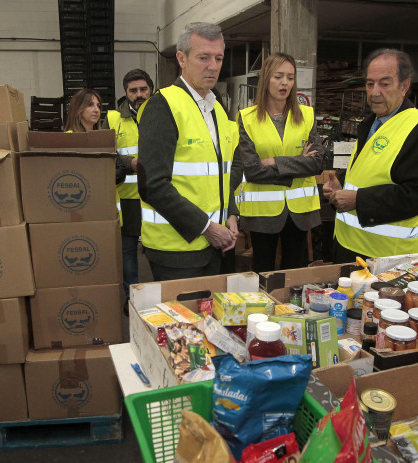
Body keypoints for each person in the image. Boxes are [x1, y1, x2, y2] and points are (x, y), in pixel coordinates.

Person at [137, 22, 240, 281]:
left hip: (215, 245)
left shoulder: (216, 109)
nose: (213, 66)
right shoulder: (163, 106)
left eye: (218, 58)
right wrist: (206, 227)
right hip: (175, 250)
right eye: (203, 57)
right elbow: (153, 185)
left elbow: (222, 173)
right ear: (181, 59)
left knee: (211, 322)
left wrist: (230, 214)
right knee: (183, 322)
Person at [323, 48, 418, 263]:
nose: (375, 91)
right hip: (349, 246)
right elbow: (368, 174)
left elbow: (416, 196)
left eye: (384, 84)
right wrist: (340, 190)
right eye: (370, 84)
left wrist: (358, 200)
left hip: (388, 257)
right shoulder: (370, 124)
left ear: (404, 86)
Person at [236, 53, 327, 272]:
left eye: (290, 77)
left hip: (299, 213)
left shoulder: (306, 115)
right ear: (266, 78)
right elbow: (253, 171)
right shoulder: (247, 118)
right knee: (262, 270)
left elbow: (317, 163)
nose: (284, 82)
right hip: (262, 213)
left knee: (294, 271)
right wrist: (298, 163)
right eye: (278, 76)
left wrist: (274, 161)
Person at [104, 69, 154, 305]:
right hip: (128, 197)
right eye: (133, 90)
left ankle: (159, 296)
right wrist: (130, 163)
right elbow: (107, 155)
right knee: (128, 252)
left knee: (158, 248)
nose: (139, 94)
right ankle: (131, 297)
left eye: (143, 89)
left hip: (157, 195)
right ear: (126, 93)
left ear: (151, 90)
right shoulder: (114, 119)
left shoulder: (163, 114)